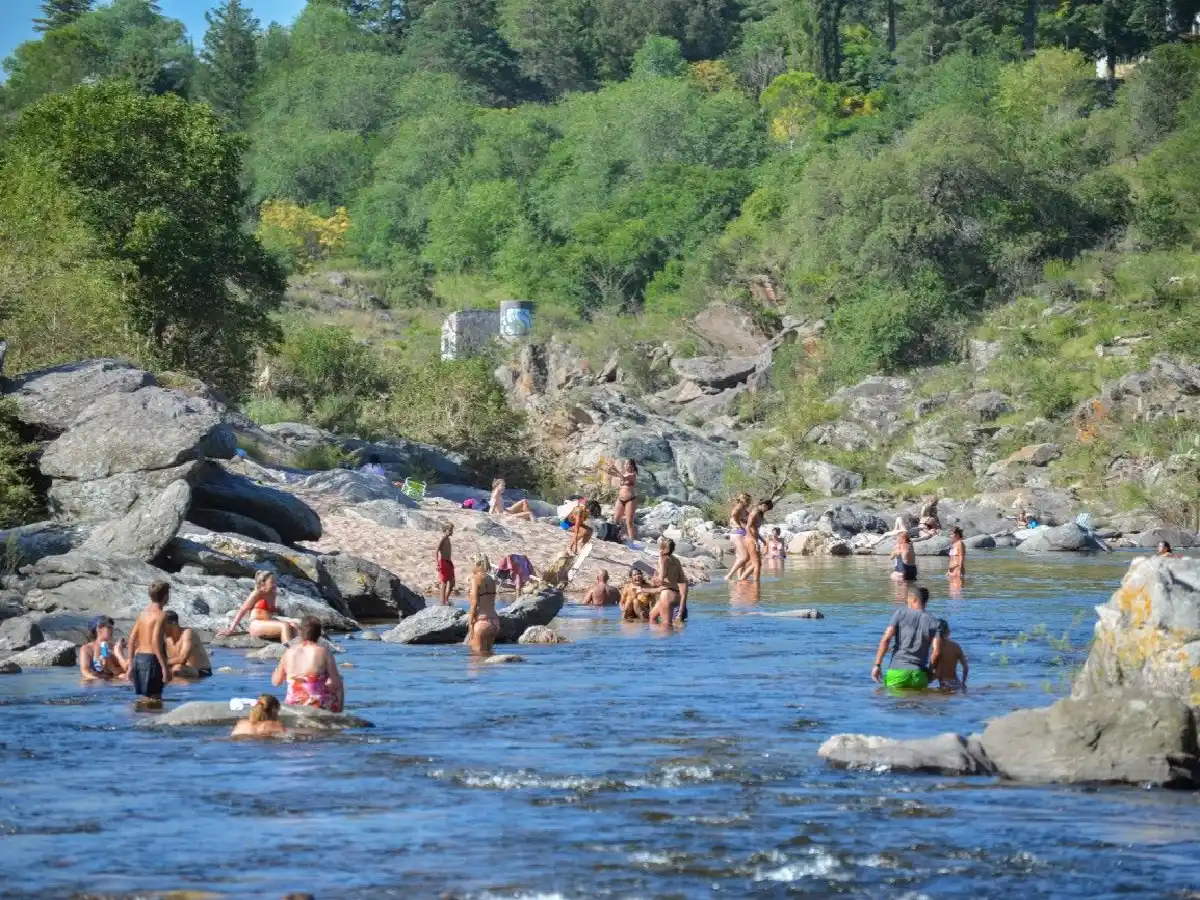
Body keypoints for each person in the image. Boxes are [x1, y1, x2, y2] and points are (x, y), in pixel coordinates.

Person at [871, 586, 944, 690]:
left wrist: (877, 665)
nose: (907, 603)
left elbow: (885, 640)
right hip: (919, 674)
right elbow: (936, 652)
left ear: (913, 599)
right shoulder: (935, 622)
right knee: (918, 703)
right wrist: (930, 672)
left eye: (908, 600)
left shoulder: (900, 614)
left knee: (894, 702)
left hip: (896, 673)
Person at [272, 616, 344, 712]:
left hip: (293, 704)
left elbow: (276, 682)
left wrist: (278, 670)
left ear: (299, 632)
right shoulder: (323, 651)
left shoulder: (289, 652)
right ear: (319, 634)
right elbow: (336, 683)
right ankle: (338, 715)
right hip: (317, 705)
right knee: (340, 682)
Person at [126, 581, 172, 703]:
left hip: (139, 658)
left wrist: (130, 664)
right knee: (155, 699)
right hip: (152, 660)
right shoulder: (161, 615)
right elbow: (155, 642)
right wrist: (164, 667)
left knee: (146, 699)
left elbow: (131, 640)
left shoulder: (142, 614)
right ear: (166, 596)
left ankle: (140, 720)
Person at [220, 571, 296, 643]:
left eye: (275, 582)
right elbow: (243, 610)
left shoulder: (273, 593)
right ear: (263, 583)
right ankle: (289, 650)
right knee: (284, 625)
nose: (274, 585)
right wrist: (231, 629)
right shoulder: (257, 593)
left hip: (268, 623)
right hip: (256, 624)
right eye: (272, 582)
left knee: (293, 625)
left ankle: (300, 649)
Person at [648, 538, 689, 627]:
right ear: (673, 549)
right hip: (676, 594)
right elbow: (682, 580)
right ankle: (659, 637)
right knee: (652, 616)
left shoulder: (663, 559)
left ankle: (663, 639)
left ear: (661, 548)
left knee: (666, 625)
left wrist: (654, 579)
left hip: (666, 594)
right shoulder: (676, 560)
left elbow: (661, 580)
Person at [467, 554, 500, 654]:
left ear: (476, 565)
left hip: (481, 621)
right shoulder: (491, 579)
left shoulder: (475, 579)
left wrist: (470, 625)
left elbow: (474, 604)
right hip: (494, 621)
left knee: (475, 658)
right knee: (488, 655)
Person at [164, 610, 212, 679]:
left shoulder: (187, 633)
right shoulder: (165, 639)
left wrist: (159, 662)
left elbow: (182, 659)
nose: (160, 629)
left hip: (202, 671)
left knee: (177, 669)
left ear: (173, 624)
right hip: (180, 669)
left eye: (163, 625)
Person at [80, 615, 127, 682]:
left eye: (112, 628)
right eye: (109, 628)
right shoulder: (87, 648)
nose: (112, 630)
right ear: (98, 629)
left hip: (111, 678)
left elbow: (122, 668)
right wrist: (98, 679)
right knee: (84, 682)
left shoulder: (115, 648)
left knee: (124, 676)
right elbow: (85, 671)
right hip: (95, 680)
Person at [603, 458, 639, 541]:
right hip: (620, 499)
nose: (626, 465)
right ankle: (613, 536)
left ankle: (631, 541)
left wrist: (615, 468)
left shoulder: (633, 474)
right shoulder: (623, 473)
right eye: (625, 464)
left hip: (630, 499)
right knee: (616, 519)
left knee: (629, 522)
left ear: (632, 466)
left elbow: (622, 477)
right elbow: (609, 473)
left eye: (628, 464)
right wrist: (609, 467)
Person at [933, 619, 968, 690]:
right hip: (957, 683)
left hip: (945, 684)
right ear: (947, 631)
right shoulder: (956, 646)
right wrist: (963, 683)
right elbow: (965, 667)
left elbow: (937, 673)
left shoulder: (937, 648)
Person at [723, 494, 751, 582]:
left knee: (740, 557)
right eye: (749, 501)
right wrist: (739, 525)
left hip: (741, 533)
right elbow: (734, 515)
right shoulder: (738, 507)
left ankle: (740, 578)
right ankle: (729, 575)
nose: (750, 502)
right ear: (744, 501)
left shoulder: (743, 509)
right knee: (744, 557)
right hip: (738, 533)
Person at [745, 499, 774, 583]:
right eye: (766, 508)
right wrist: (755, 541)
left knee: (758, 564)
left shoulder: (759, 513)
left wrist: (762, 540)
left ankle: (744, 579)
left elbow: (755, 530)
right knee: (757, 564)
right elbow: (748, 527)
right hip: (750, 539)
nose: (766, 510)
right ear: (763, 505)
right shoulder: (754, 513)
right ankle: (755, 584)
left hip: (754, 539)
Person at [436, 522, 455, 606]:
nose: (451, 532)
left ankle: (446, 598)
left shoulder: (448, 539)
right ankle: (442, 601)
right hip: (443, 562)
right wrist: (437, 563)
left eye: (452, 530)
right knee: (444, 582)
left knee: (452, 582)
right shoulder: (443, 538)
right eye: (450, 530)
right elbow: (437, 550)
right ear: (445, 530)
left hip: (449, 562)